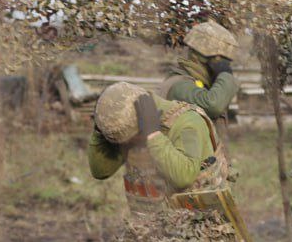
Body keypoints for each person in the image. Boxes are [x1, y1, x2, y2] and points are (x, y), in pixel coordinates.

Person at [88, 81, 230, 214]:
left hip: (197, 229)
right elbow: (101, 171)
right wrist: (99, 130)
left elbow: (184, 176)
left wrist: (153, 135)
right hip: (153, 229)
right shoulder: (130, 122)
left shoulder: (188, 123)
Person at [160, 20, 240, 121]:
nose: (224, 66)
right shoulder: (179, 86)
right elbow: (213, 106)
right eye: (222, 62)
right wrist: (225, 75)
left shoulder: (201, 85)